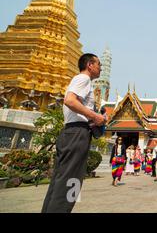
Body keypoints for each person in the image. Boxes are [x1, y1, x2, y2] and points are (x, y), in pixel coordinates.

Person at [41, 53, 107, 213]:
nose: (100, 68)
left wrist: (95, 117)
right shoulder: (83, 79)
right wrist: (95, 116)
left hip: (73, 132)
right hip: (77, 133)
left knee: (62, 179)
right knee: (71, 180)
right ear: (90, 65)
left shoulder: (82, 81)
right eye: (99, 64)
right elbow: (69, 100)